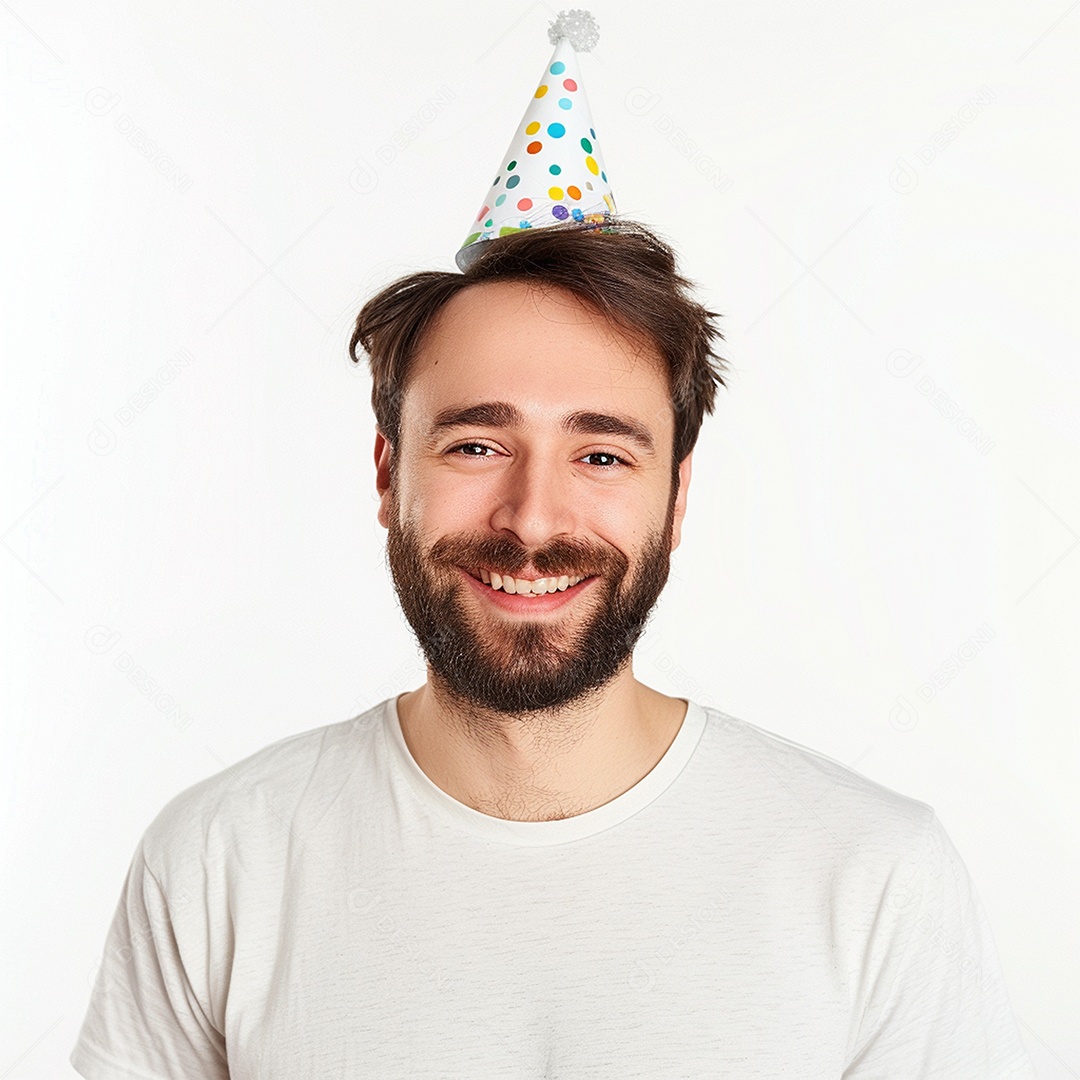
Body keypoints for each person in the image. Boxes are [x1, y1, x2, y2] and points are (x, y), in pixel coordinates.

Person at [72, 14, 1036, 1080]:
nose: (532, 521)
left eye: (603, 456)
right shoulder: (217, 865)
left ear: (676, 500)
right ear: (389, 475)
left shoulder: (875, 881)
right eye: (479, 443)